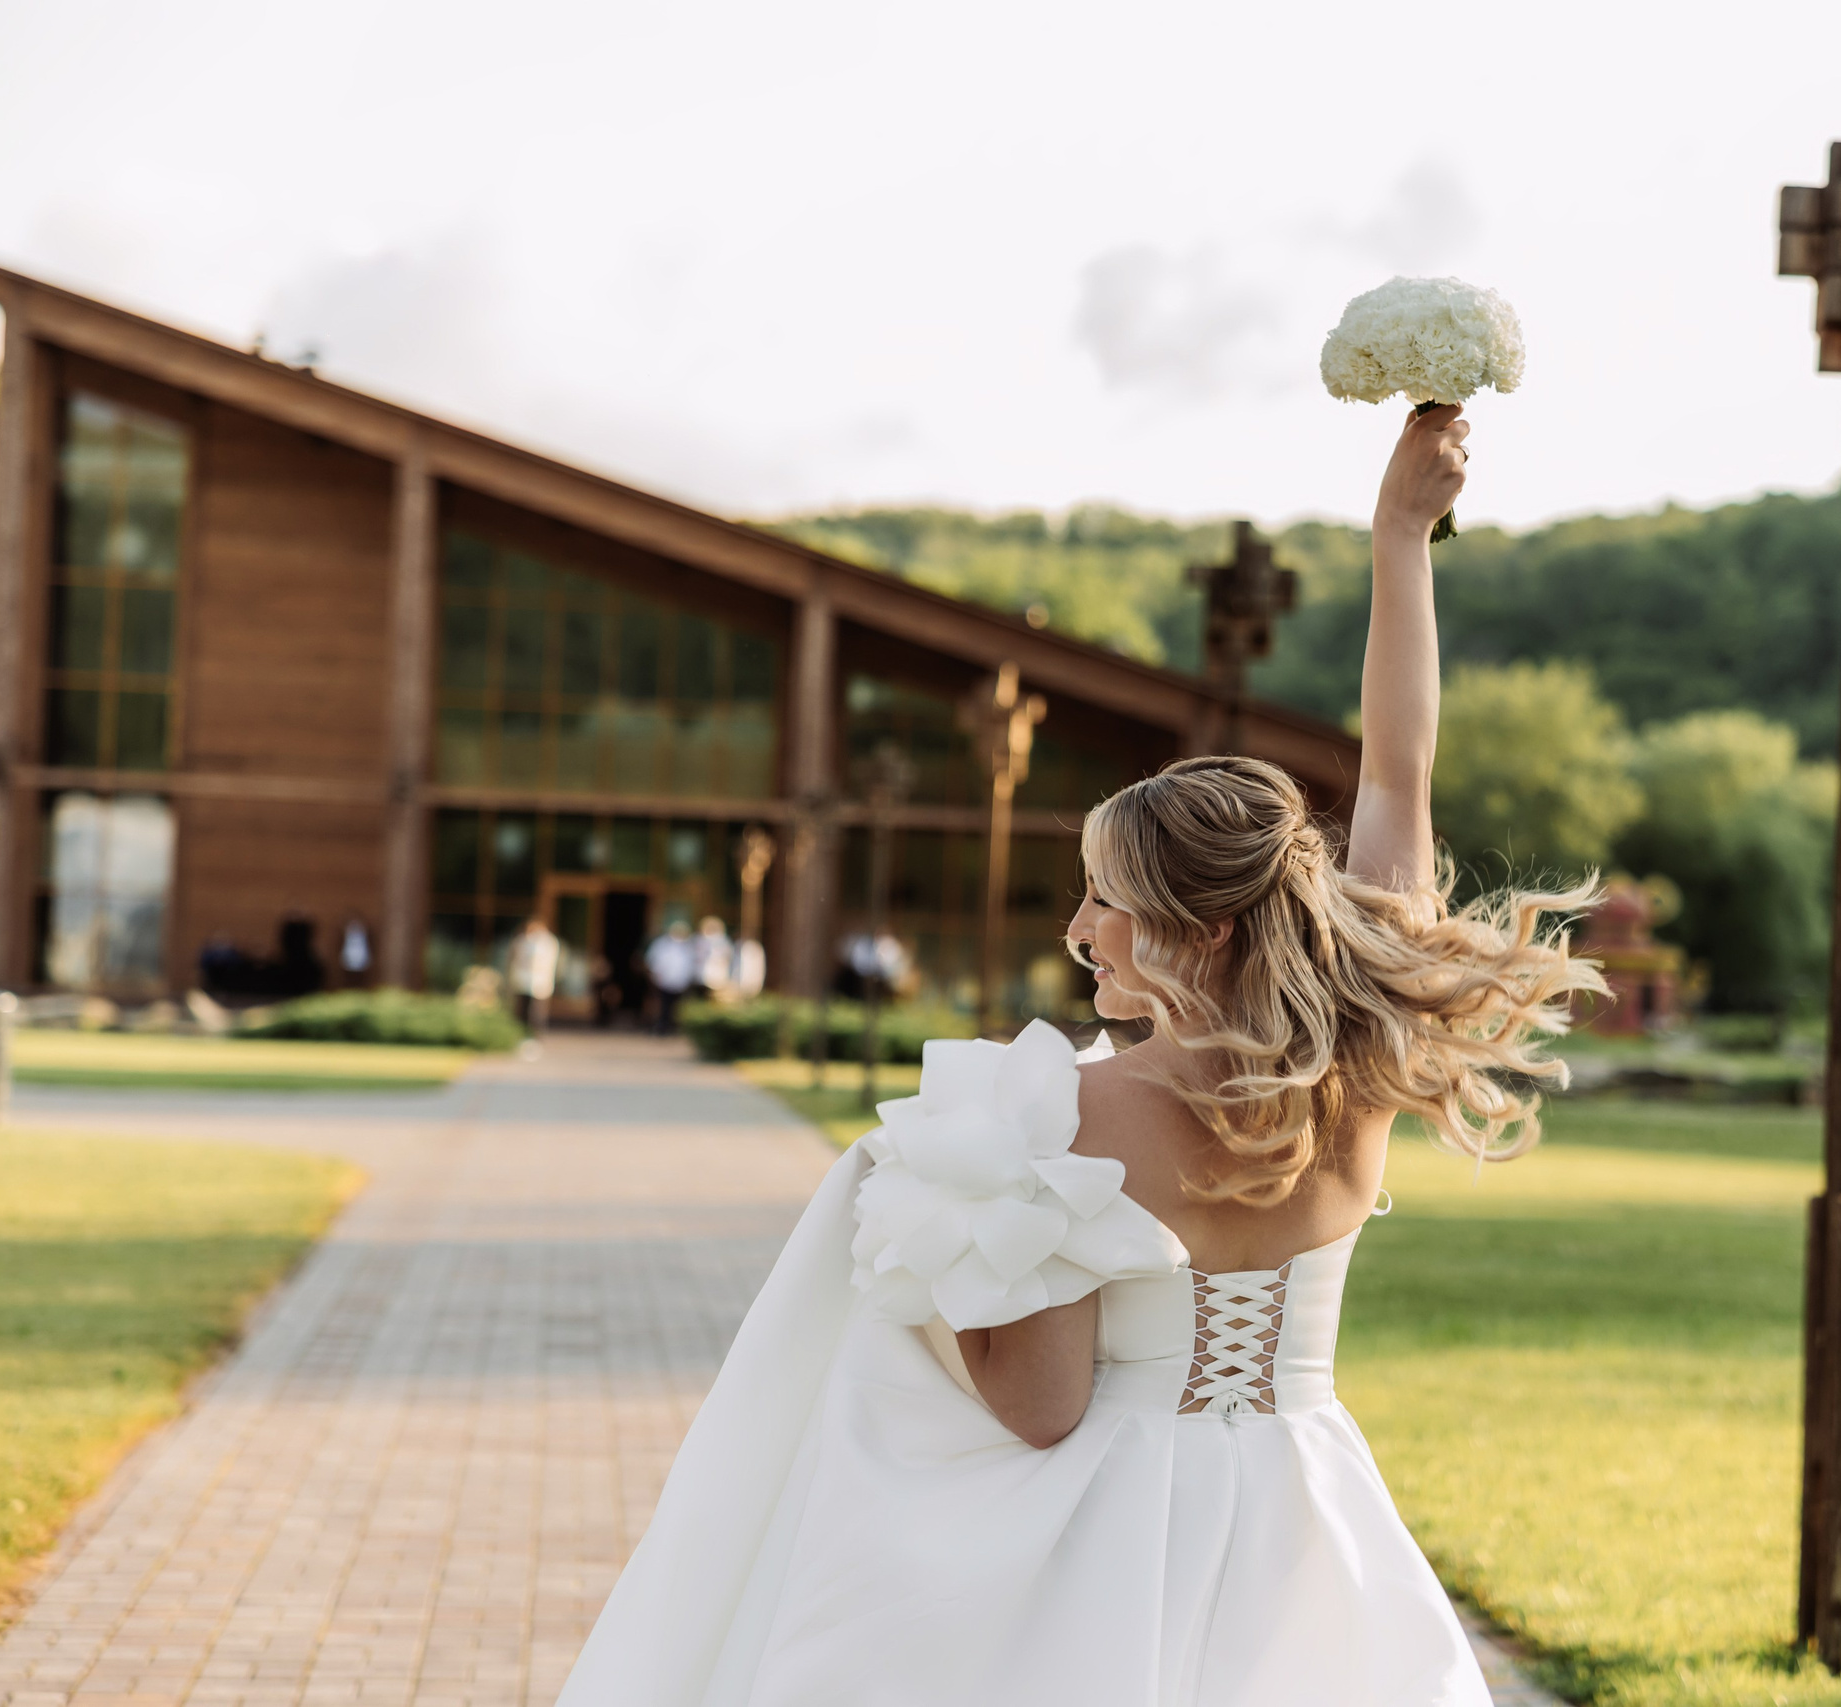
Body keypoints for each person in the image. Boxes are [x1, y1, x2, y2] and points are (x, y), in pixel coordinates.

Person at [555, 406, 1602, 1706]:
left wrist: (926, 1240)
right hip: (1304, 1516)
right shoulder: (1361, 1070)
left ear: (1199, 924)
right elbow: (1399, 778)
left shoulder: (1047, 1112)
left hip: (1099, 1553)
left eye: (1108, 897)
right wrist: (1402, 533)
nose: (1079, 928)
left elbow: (1040, 1409)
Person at [504, 915, 560, 1042]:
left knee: (536, 1013)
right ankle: (520, 1036)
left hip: (539, 983)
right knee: (521, 1011)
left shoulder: (548, 942)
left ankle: (534, 1037)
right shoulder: (521, 941)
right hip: (522, 981)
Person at [645, 919, 698, 1036]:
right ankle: (662, 1027)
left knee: (678, 1008)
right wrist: (657, 975)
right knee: (664, 1006)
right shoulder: (662, 944)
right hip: (664, 981)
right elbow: (654, 961)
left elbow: (691, 963)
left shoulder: (688, 946)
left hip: (681, 982)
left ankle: (674, 1028)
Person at [693, 915, 736, 1001]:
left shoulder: (723, 941)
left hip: (716, 978)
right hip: (700, 978)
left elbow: (727, 958)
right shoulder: (699, 940)